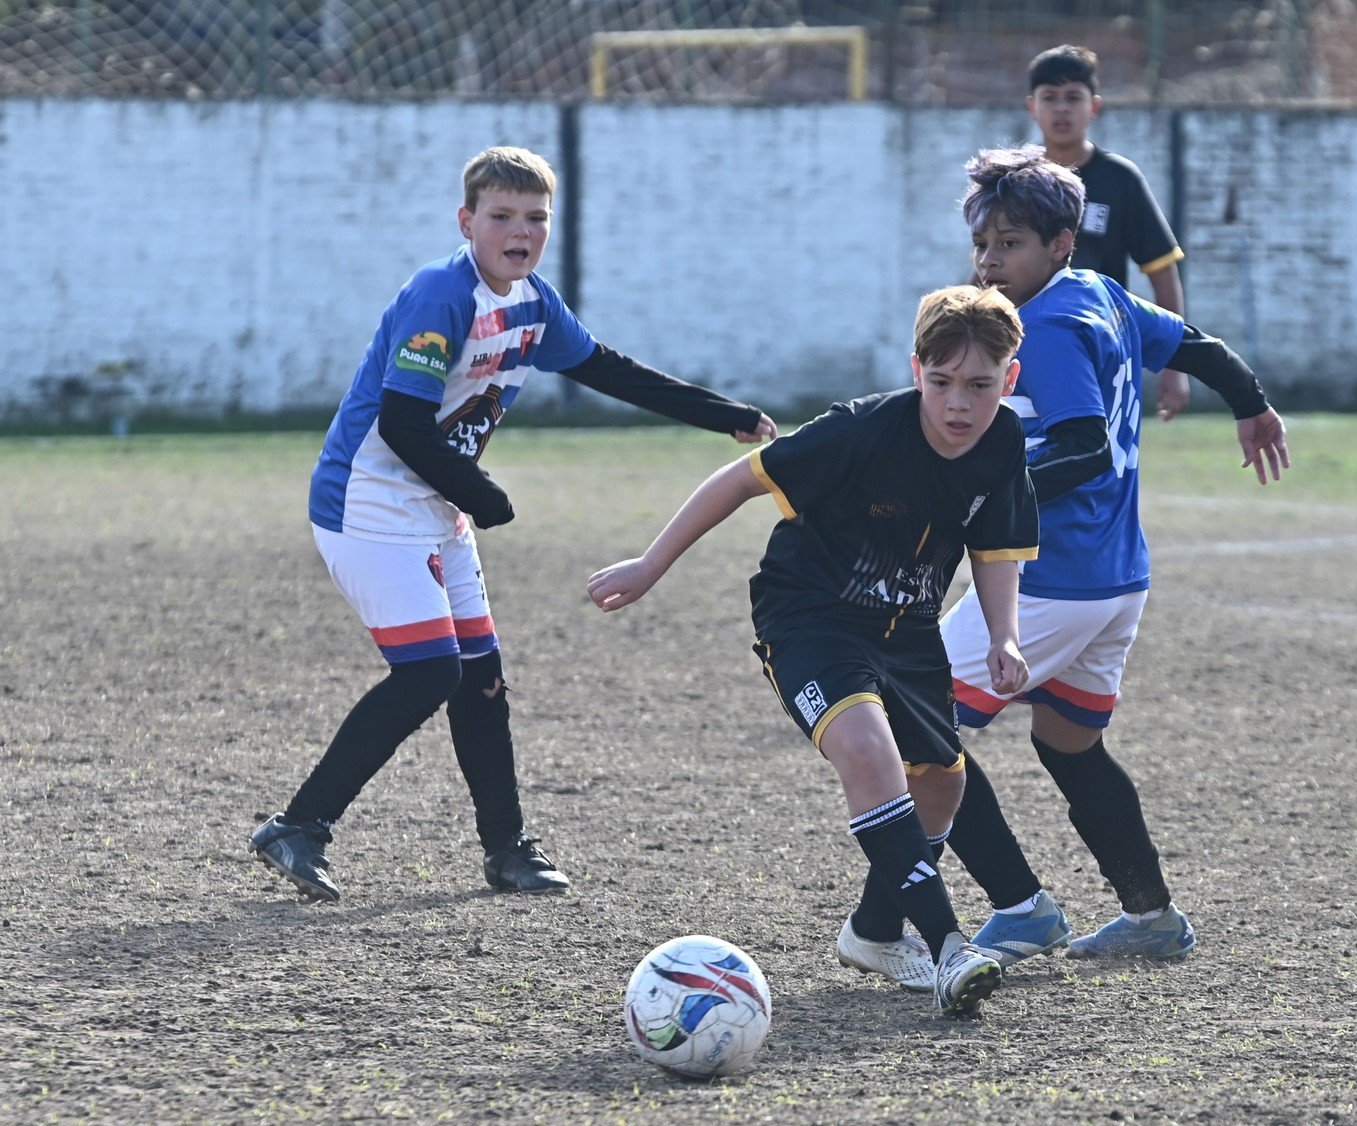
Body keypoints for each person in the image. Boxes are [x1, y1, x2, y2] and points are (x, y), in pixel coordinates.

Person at [247, 145, 776, 903]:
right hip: (364, 502)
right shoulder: (442, 293)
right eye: (501, 216)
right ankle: (299, 826)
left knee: (481, 678)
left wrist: (720, 413)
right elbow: (400, 422)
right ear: (467, 222)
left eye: (535, 218)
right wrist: (482, 493)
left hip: (435, 503)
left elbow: (605, 368)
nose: (519, 231)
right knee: (431, 670)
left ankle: (507, 850)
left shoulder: (531, 300)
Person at [844, 145, 1288, 973]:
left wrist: (968, 494)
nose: (988, 260)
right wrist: (1252, 403)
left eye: (1009, 242)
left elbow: (1083, 449)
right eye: (982, 243)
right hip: (1115, 581)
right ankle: (1150, 915)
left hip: (1054, 577)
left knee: (921, 733)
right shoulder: (1101, 295)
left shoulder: (1043, 325)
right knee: (1066, 743)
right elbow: (1194, 343)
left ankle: (1008, 909)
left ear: (1060, 246)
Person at [587, 285, 1040, 1017]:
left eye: (980, 386)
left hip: (909, 631)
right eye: (942, 382)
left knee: (942, 784)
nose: (959, 404)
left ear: (1009, 380)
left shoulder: (1002, 442)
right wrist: (649, 564)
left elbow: (994, 547)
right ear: (915, 368)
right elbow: (740, 479)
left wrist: (1004, 635)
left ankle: (873, 931)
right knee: (866, 751)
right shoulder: (860, 430)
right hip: (810, 616)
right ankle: (949, 946)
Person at [1026, 44, 1191, 422]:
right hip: (1028, 344)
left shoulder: (1121, 180)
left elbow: (1162, 272)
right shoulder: (1019, 180)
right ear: (1032, 107)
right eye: (1050, 98)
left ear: (1094, 106)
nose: (1062, 108)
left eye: (1073, 97)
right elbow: (989, 268)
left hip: (1102, 348)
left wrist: (1174, 363)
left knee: (1101, 457)